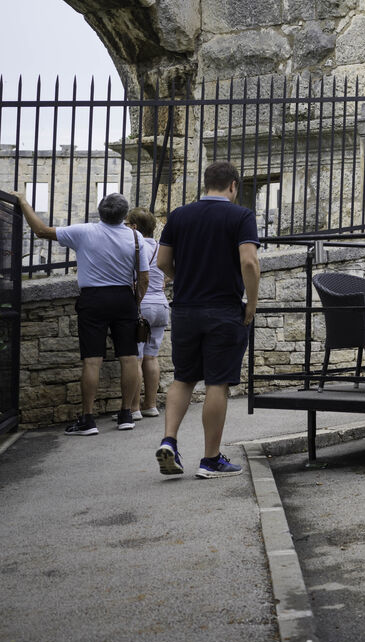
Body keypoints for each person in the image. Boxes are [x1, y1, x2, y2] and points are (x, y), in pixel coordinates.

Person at [155, 161, 261, 479]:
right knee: (217, 382)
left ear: (206, 183)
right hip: (223, 309)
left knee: (183, 378)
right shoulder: (241, 216)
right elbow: (249, 262)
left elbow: (162, 261)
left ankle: (169, 441)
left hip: (185, 308)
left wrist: (183, 278)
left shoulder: (179, 215)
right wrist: (252, 303)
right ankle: (210, 459)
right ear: (233, 185)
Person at [16, 191, 147, 434]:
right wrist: (136, 301)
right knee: (129, 358)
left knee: (92, 360)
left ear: (100, 211)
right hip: (124, 298)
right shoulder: (135, 237)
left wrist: (23, 202)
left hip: (93, 298)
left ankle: (88, 418)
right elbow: (144, 277)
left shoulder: (83, 232)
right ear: (124, 215)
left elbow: (41, 231)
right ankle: (126, 414)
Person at [125, 207, 168, 419]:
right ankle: (150, 405)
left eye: (127, 224)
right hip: (162, 306)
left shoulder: (135, 247)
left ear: (135, 227)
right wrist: (163, 282)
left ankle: (134, 409)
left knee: (137, 358)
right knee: (151, 357)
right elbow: (172, 270)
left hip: (144, 307)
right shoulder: (161, 247)